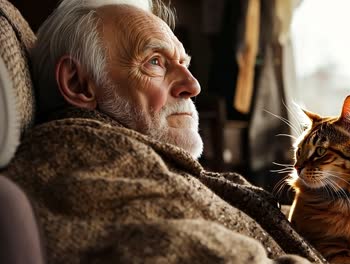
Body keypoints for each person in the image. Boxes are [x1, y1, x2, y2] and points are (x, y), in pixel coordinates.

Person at [3, 0, 326, 263]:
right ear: (77, 84)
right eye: (155, 62)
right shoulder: (82, 157)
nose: (193, 85)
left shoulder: (132, 157)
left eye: (184, 63)